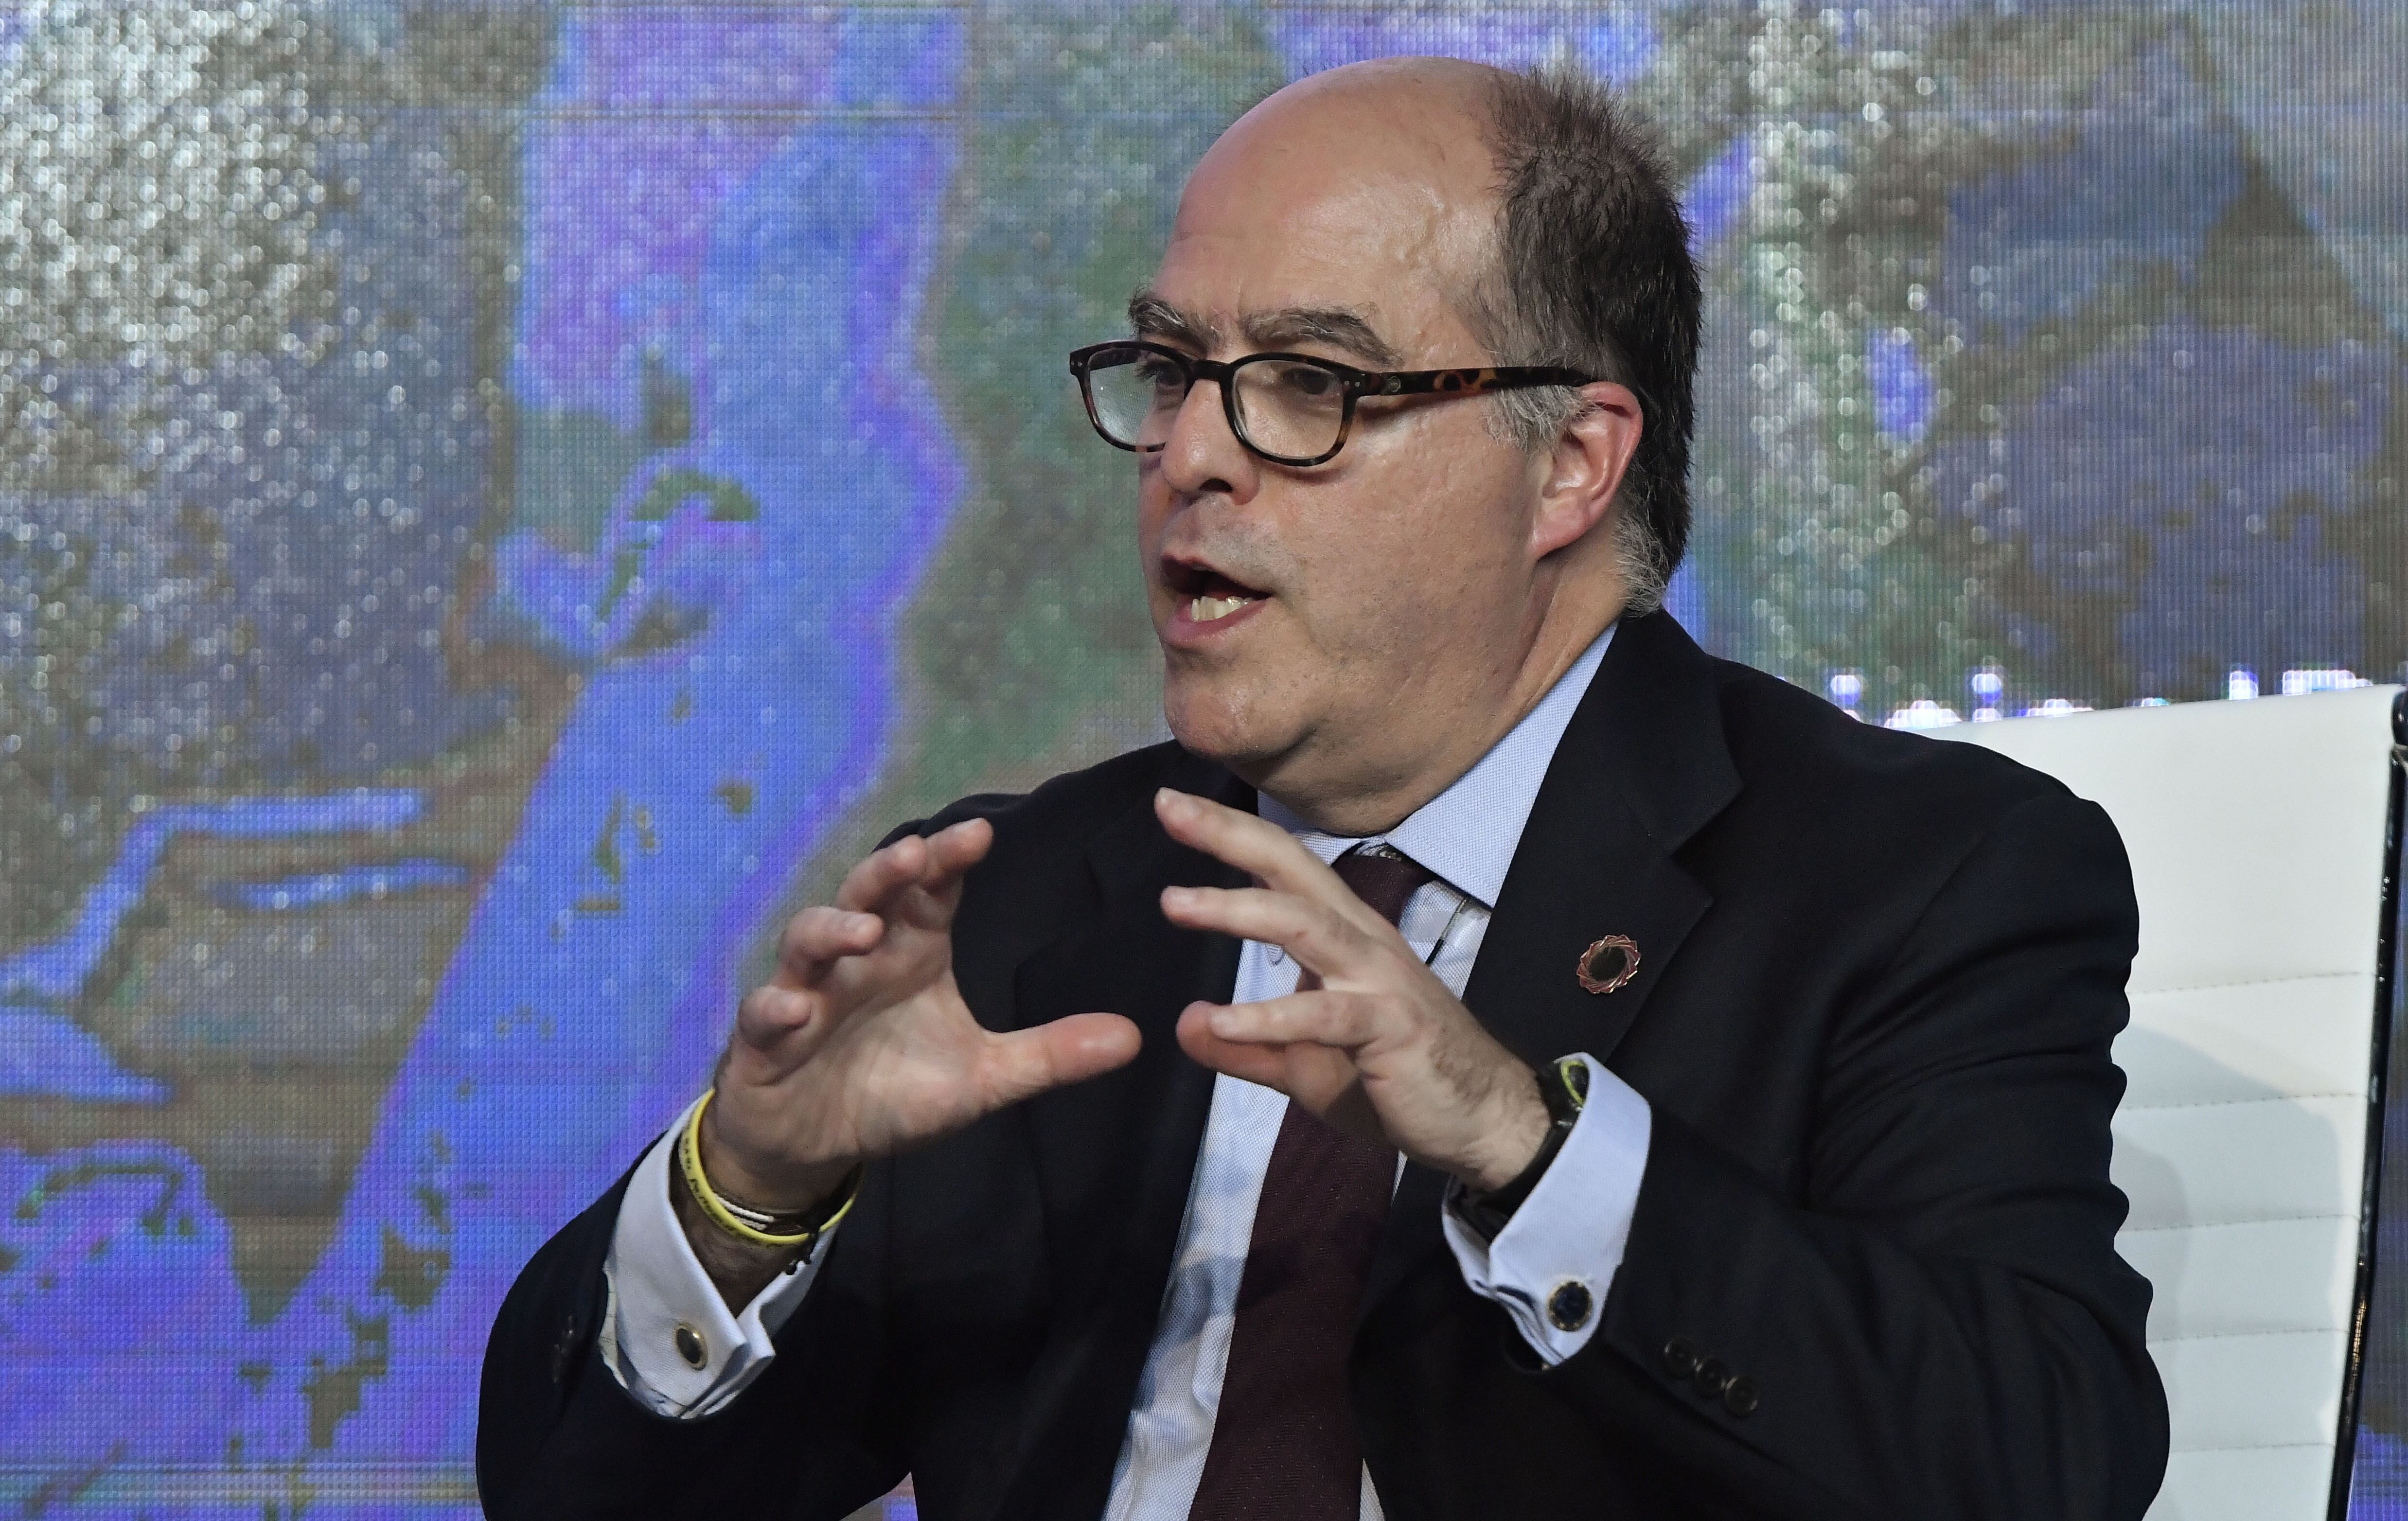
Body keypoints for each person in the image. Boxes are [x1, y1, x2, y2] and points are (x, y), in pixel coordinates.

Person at [477, 57, 2168, 1521]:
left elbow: (2031, 1458)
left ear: (1572, 462)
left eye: (1310, 386)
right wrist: (751, 1201)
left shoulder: (1922, 875)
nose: (1193, 455)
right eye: (1172, 371)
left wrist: (1519, 1138)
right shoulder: (1027, 902)